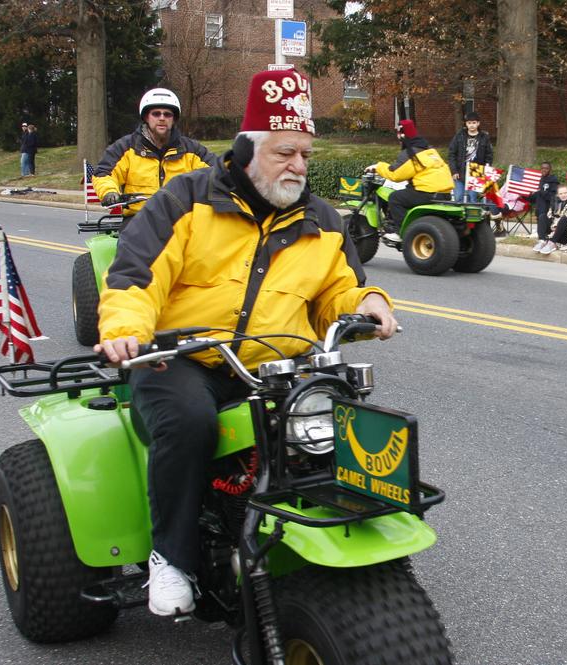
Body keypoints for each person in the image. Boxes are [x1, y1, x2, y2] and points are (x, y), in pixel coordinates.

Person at [95, 68, 397, 618]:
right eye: (286, 153)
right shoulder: (186, 199)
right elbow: (135, 277)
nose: (300, 166)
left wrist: (369, 304)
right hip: (185, 357)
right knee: (188, 423)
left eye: (306, 153)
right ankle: (172, 557)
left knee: (336, 416)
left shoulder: (321, 218)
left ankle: (356, 549)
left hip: (276, 363)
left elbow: (342, 287)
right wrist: (126, 331)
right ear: (249, 147)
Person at [92, 88, 215, 217]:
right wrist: (110, 192)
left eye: (167, 114)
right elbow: (104, 173)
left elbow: (218, 172)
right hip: (138, 220)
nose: (162, 118)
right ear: (146, 117)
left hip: (181, 221)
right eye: (156, 114)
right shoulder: (126, 147)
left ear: (173, 119)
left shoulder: (191, 150)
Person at [366, 119, 453, 242]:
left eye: (397, 132)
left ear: (402, 134)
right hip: (445, 193)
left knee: (395, 198)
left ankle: (400, 232)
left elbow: (395, 174)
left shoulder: (410, 153)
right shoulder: (429, 150)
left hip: (427, 193)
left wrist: (377, 167)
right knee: (408, 191)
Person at [447, 111, 493, 203]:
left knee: (472, 199)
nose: (471, 125)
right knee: (458, 198)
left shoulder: (484, 137)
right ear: (466, 124)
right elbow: (452, 154)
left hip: (476, 172)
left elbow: (489, 156)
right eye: (469, 123)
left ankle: (472, 217)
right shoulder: (459, 136)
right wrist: (454, 170)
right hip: (460, 172)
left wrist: (485, 170)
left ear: (478, 123)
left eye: (474, 123)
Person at [536, 184, 567, 255]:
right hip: (554, 230)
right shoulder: (556, 203)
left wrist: (558, 223)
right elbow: (549, 217)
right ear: (557, 195)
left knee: (564, 219)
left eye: (565, 193)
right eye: (561, 193)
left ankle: (552, 243)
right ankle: (542, 240)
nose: (563, 195)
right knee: (542, 216)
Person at [528, 162, 560, 247]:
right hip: (539, 208)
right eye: (542, 168)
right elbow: (536, 195)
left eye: (546, 168)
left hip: (547, 209)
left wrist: (541, 191)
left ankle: (544, 236)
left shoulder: (553, 181)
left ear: (550, 170)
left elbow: (552, 197)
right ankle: (541, 235)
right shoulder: (540, 180)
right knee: (540, 219)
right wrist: (527, 196)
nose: (544, 170)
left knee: (543, 219)